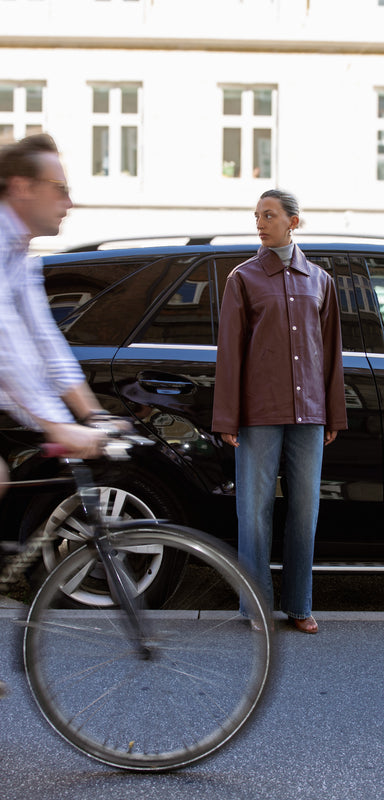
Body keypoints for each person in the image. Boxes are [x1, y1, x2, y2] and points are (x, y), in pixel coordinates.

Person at [0, 133, 116, 697]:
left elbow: (44, 341)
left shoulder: (21, 256)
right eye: (60, 189)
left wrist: (92, 414)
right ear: (22, 187)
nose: (69, 202)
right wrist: (55, 425)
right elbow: (5, 349)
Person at [212, 189, 347, 634]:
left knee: (304, 510)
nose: (260, 222)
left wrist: (333, 413)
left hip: (309, 412)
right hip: (257, 413)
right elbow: (229, 354)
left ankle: (299, 604)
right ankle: (254, 608)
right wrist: (227, 418)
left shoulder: (320, 281)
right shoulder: (243, 279)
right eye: (256, 215)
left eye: (269, 215)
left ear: (293, 221)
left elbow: (330, 353)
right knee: (254, 513)